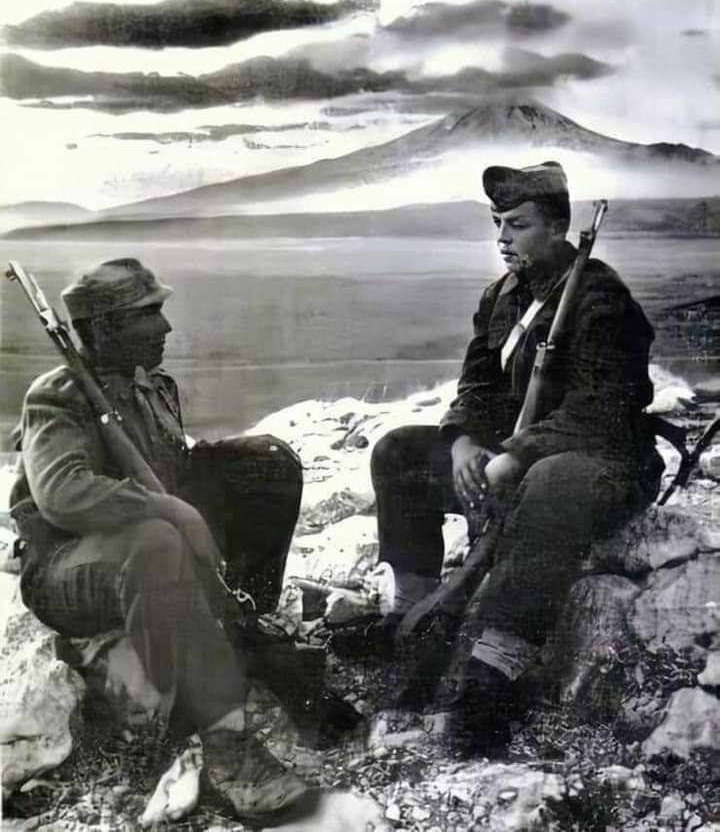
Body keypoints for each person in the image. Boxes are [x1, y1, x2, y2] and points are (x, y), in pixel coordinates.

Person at [9, 257, 351, 819]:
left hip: (141, 554)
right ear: (103, 329)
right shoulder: (58, 395)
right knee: (156, 539)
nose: (166, 327)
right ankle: (226, 750)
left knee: (264, 461)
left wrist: (195, 496)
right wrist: (169, 509)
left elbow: (171, 464)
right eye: (148, 315)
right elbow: (63, 494)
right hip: (68, 568)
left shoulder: (152, 384)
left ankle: (237, 616)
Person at [370, 161, 663, 751]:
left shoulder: (603, 301)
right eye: (498, 224)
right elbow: (476, 385)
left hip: (599, 466)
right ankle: (414, 611)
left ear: (557, 228)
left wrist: (516, 453)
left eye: (519, 225)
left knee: (550, 480)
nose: (502, 239)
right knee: (400, 450)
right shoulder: (502, 295)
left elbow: (601, 409)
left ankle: (495, 666)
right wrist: (461, 442)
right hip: (516, 458)